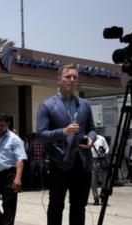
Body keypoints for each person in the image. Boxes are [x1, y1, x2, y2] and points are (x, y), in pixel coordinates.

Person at [37, 64, 96, 225]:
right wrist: (64, 131)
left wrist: (91, 139)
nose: (71, 80)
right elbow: (41, 135)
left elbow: (92, 129)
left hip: (83, 162)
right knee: (56, 206)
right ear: (59, 80)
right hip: (59, 162)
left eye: (75, 77)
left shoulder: (85, 104)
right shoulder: (47, 105)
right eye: (68, 76)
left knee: (79, 206)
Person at [90, 134, 110, 206]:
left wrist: (104, 151)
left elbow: (107, 149)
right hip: (92, 161)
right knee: (93, 181)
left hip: (102, 160)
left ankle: (103, 196)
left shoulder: (101, 138)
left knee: (104, 180)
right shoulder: (86, 138)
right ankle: (96, 198)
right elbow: (83, 149)